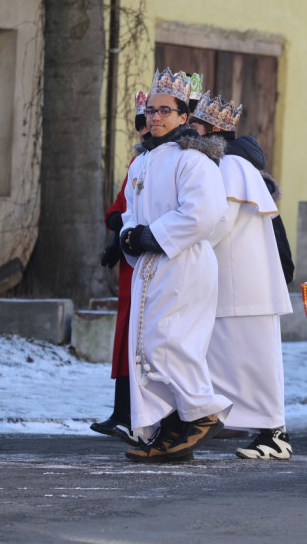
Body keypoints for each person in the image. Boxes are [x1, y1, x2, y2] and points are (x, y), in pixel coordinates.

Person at [119, 68, 231, 463]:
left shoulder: (193, 159)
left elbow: (206, 212)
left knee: (172, 344)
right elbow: (131, 212)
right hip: (152, 266)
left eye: (166, 110)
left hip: (183, 263)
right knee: (148, 348)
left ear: (185, 117)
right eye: (151, 110)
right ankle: (170, 425)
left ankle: (202, 412)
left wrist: (154, 235)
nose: (155, 117)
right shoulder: (142, 163)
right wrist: (129, 235)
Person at [189, 92, 294, 460]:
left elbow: (220, 222)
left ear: (212, 131)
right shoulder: (230, 165)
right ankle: (252, 428)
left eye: (195, 127)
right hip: (238, 286)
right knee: (232, 361)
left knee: (256, 363)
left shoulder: (231, 166)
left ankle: (274, 435)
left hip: (245, 287)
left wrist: (183, 246)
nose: (190, 132)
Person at [90, 91, 148, 446]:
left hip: (152, 257)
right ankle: (122, 411)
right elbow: (122, 205)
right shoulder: (138, 162)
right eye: (141, 125)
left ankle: (138, 414)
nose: (144, 131)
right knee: (127, 337)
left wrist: (120, 223)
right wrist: (116, 232)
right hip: (132, 260)